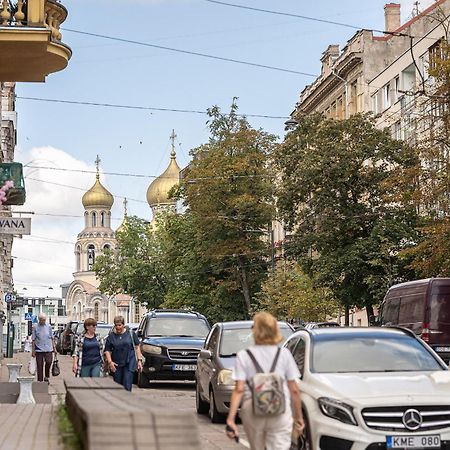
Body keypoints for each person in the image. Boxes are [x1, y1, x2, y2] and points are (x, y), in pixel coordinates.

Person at [226, 312, 305, 450]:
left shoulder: (244, 356)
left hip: (253, 410)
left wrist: (231, 419)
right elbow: (294, 389)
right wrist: (298, 418)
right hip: (279, 408)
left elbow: (239, 389)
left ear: (254, 331)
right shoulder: (284, 354)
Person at [104, 315, 143, 391]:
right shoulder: (111, 336)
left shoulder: (131, 334)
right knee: (117, 386)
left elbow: (137, 346)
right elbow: (107, 350)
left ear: (123, 325)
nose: (118, 327)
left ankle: (127, 401)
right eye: (116, 325)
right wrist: (110, 362)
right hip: (117, 364)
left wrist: (139, 361)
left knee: (127, 384)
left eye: (120, 325)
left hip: (129, 363)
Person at [31, 313, 56, 382]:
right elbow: (33, 339)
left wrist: (54, 348)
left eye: (44, 320)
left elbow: (52, 338)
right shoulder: (35, 327)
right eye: (42, 320)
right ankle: (40, 381)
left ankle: (47, 376)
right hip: (39, 350)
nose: (43, 321)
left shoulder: (49, 326)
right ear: (39, 320)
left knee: (49, 362)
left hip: (48, 349)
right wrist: (33, 350)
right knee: (39, 365)